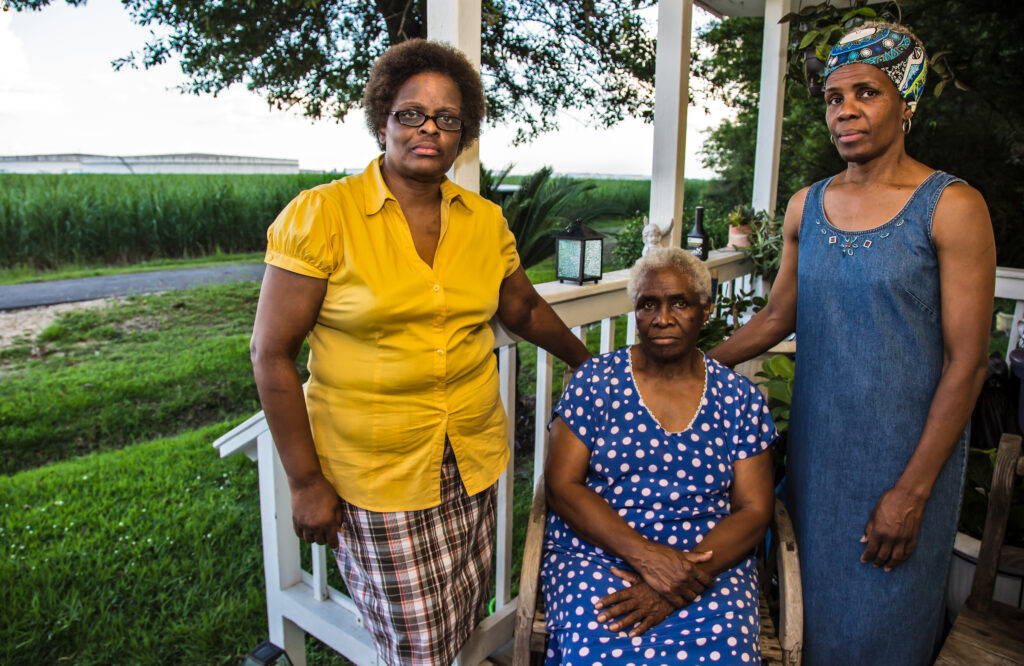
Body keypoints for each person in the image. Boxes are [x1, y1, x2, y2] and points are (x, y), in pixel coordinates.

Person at [249, 38, 591, 666]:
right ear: (383, 120)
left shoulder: (485, 222)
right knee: (416, 644)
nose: (429, 128)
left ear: (465, 136)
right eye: (412, 113)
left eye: (448, 118)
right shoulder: (323, 216)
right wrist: (304, 481)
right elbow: (271, 354)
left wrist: (587, 363)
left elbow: (521, 309)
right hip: (378, 472)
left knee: (458, 613)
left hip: (472, 457)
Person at [708, 22, 996, 666]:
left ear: (906, 103)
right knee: (806, 618)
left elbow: (967, 363)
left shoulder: (950, 206)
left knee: (882, 630)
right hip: (816, 458)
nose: (847, 110)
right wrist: (689, 364)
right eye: (836, 98)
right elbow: (777, 315)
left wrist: (911, 492)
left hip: (903, 461)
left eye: (867, 92)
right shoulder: (806, 206)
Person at [542, 247, 778, 665]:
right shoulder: (595, 383)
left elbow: (754, 509)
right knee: (598, 653)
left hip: (709, 561)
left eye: (680, 303)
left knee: (725, 655)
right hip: (602, 555)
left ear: (705, 311)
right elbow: (562, 488)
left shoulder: (738, 398)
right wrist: (646, 555)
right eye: (649, 304)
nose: (662, 318)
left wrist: (679, 580)